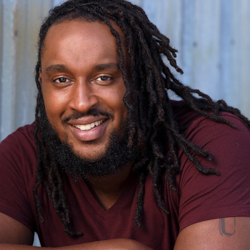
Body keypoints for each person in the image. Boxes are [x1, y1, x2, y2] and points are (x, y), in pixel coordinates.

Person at [0, 0, 250, 249]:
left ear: (140, 79)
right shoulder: (24, 155)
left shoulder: (211, 145)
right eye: (62, 79)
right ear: (42, 82)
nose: (81, 102)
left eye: (104, 77)